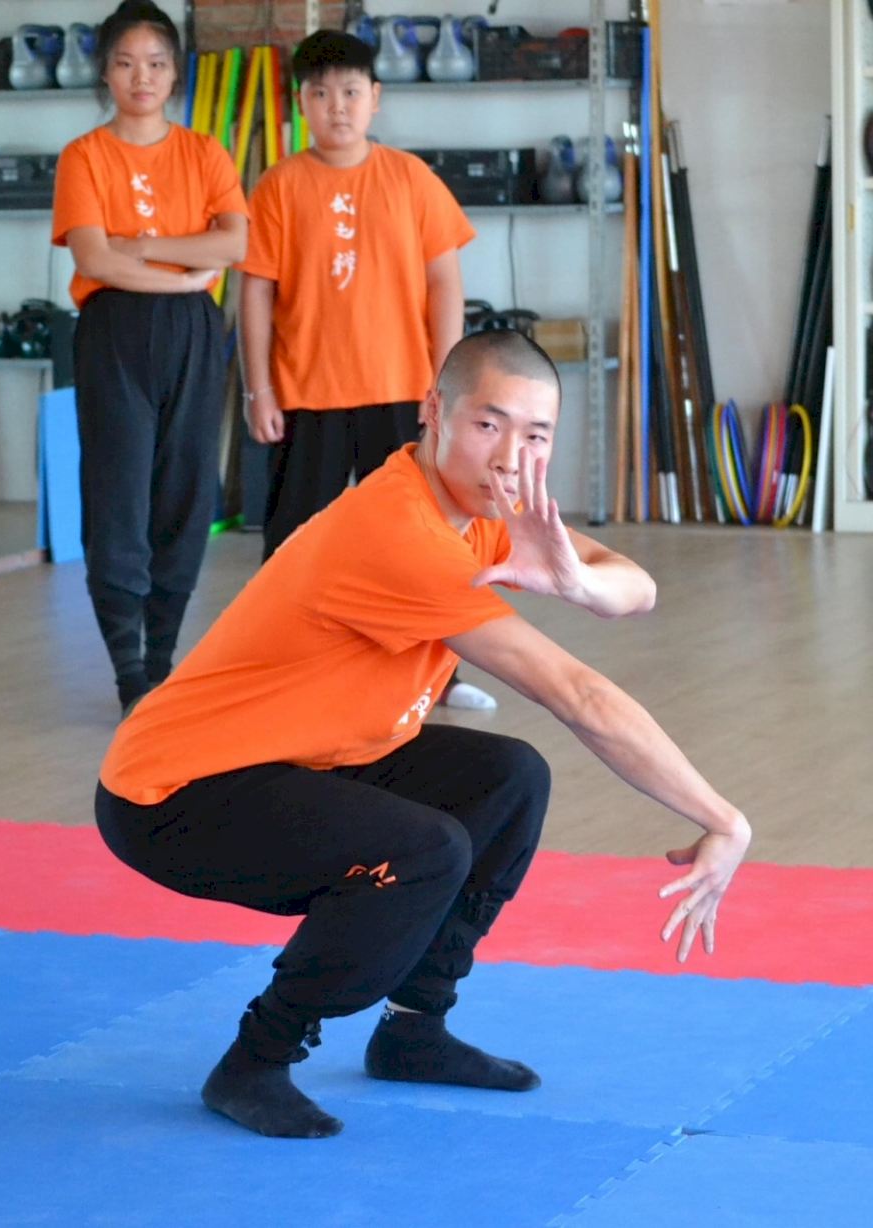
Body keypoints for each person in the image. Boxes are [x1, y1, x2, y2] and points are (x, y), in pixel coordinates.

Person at [95, 330, 752, 1139]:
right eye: (488, 424)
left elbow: (637, 587)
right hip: (173, 794)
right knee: (423, 852)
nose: (510, 457)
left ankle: (414, 1028)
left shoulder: (480, 511)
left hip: (302, 759)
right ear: (434, 411)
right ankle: (254, 1061)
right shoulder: (398, 529)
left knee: (508, 780)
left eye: (536, 436)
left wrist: (580, 583)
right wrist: (722, 817)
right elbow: (576, 694)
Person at [238, 28, 494, 710]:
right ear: (301, 104)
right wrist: (258, 388)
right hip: (307, 392)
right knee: (294, 539)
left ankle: (438, 674)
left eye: (351, 92)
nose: (337, 108)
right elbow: (255, 292)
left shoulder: (410, 179)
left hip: (403, 391)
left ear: (375, 98)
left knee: (420, 539)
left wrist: (446, 385)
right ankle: (278, 665)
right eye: (321, 95)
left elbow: (445, 283)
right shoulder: (278, 186)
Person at [51, 0, 249, 718]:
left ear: (175, 73)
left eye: (157, 63)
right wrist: (180, 271)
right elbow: (92, 258)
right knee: (118, 493)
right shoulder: (84, 156)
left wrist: (140, 247)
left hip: (192, 331)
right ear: (105, 72)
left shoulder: (204, 152)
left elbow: (235, 243)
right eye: (127, 63)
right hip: (114, 330)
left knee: (186, 491)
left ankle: (162, 662)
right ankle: (128, 670)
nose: (143, 77)